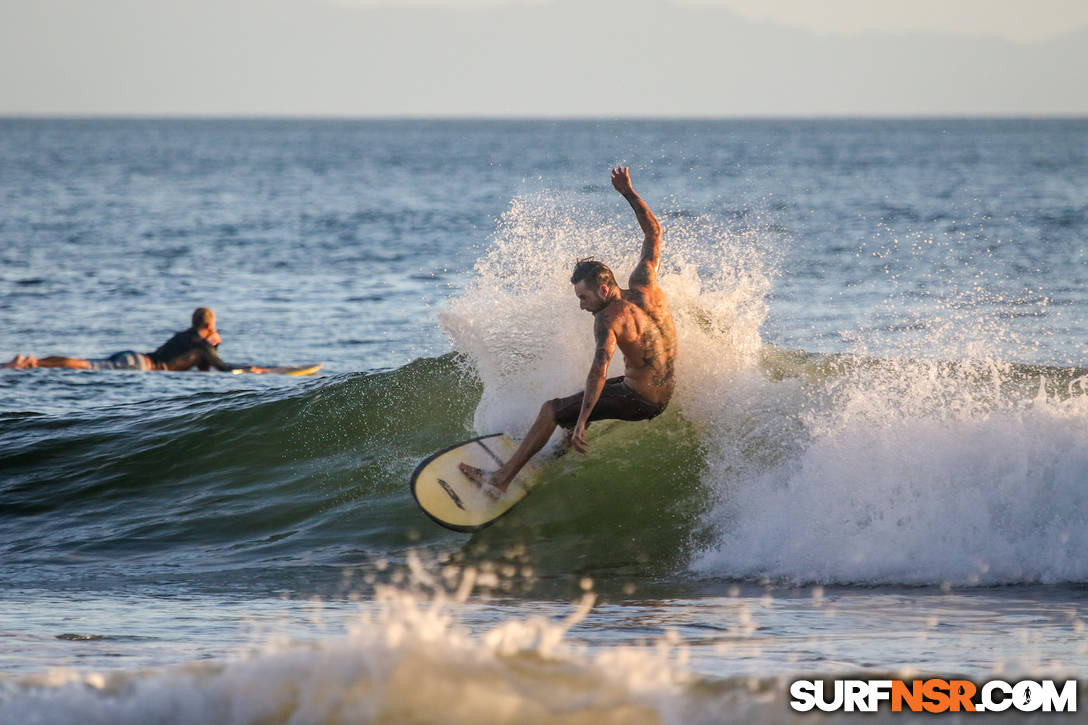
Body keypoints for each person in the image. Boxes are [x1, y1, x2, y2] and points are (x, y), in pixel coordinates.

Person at [461, 167, 678, 498]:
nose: (580, 305)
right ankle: (548, 456)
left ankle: (499, 480)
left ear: (604, 288)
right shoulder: (645, 283)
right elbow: (654, 233)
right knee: (580, 401)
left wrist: (581, 422)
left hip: (641, 401)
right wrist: (628, 193)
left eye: (583, 297)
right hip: (663, 393)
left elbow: (599, 369)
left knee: (553, 408)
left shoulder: (609, 318)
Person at [3, 308, 268, 373]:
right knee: (87, 366)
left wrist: (212, 346)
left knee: (87, 363)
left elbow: (204, 367)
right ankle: (33, 363)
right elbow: (219, 367)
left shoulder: (183, 336)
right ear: (209, 325)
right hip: (142, 366)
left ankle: (33, 361)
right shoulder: (200, 346)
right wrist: (249, 369)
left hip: (135, 355)